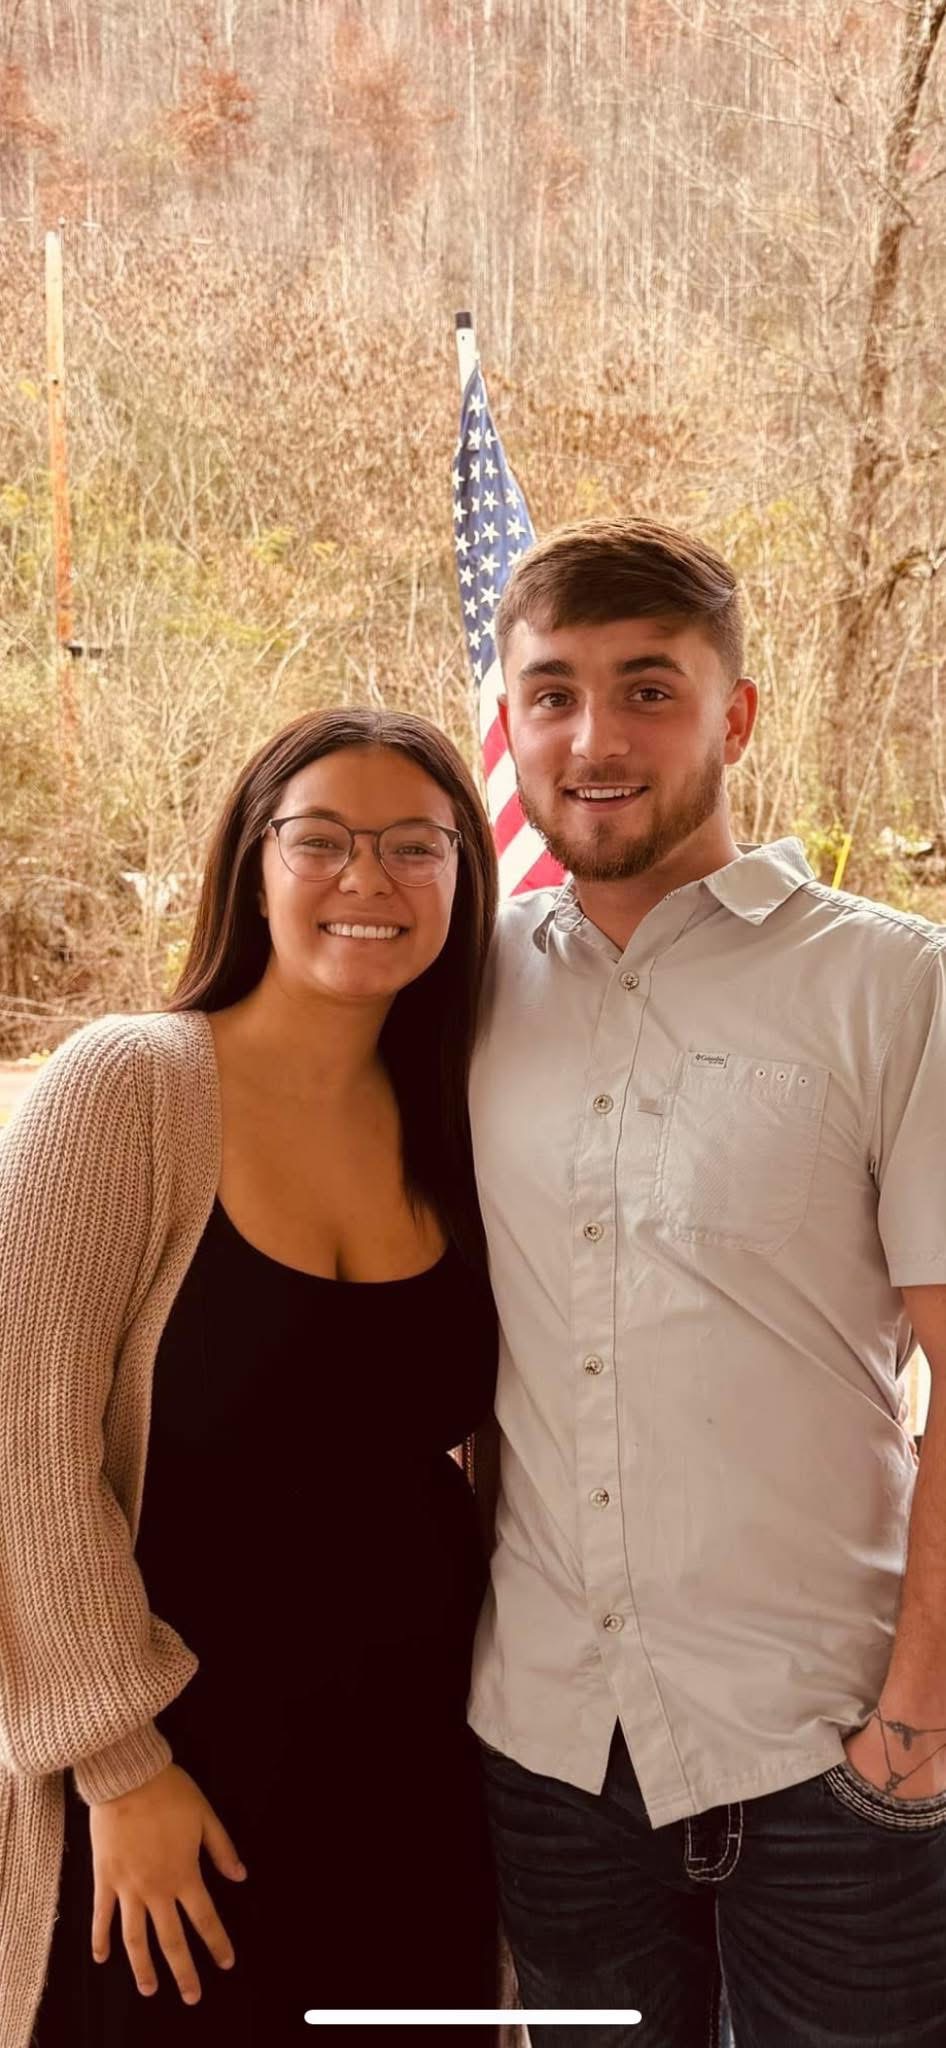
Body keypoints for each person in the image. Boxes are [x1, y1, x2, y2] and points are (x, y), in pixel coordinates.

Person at [465, 517, 946, 2048]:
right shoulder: (458, 987)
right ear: (507, 720)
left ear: (733, 717)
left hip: (828, 1750)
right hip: (545, 1745)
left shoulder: (893, 985)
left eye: (646, 690)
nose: (592, 739)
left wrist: (916, 1723)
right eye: (551, 693)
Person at [0, 707, 500, 2047]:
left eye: (414, 845)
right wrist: (121, 1768)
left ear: (463, 873)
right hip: (179, 1783)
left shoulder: (460, 1114)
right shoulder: (131, 1089)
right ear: (251, 863)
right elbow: (23, 1446)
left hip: (421, 1768)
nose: (367, 878)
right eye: (320, 839)